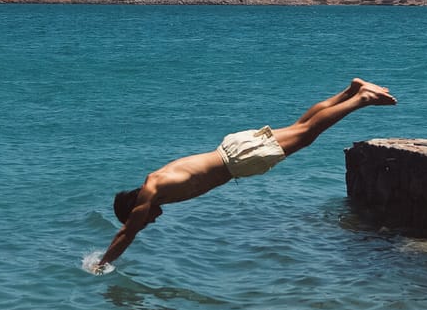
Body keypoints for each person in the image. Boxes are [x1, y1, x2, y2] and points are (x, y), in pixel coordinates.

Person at [91, 78, 397, 269]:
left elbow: (126, 233)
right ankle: (350, 90)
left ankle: (361, 99)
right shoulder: (155, 180)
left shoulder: (151, 193)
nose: (151, 221)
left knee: (307, 134)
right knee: (300, 126)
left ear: (135, 209)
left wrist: (102, 263)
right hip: (232, 146)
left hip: (237, 160)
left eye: (145, 220)